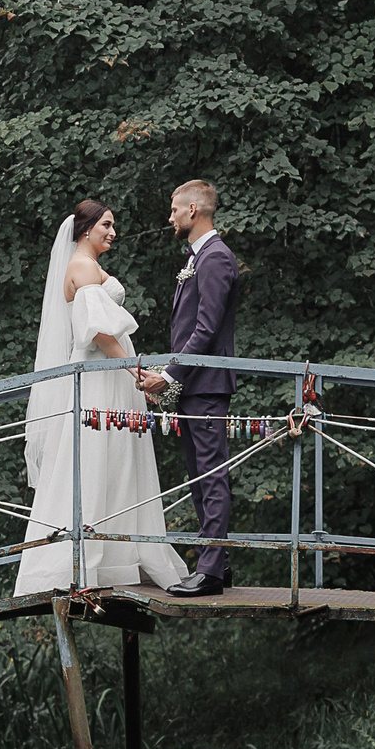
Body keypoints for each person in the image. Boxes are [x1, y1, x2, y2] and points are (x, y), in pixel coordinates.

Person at [13, 200, 190, 596]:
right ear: (85, 228)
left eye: (113, 225)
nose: (113, 232)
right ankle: (82, 562)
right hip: (100, 378)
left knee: (116, 458)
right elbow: (98, 332)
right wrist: (136, 373)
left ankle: (116, 557)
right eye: (106, 225)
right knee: (94, 457)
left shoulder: (84, 265)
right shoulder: (82, 266)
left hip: (108, 376)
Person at [139, 179, 241, 597]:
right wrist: (170, 375)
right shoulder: (196, 258)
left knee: (211, 475)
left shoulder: (215, 258)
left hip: (207, 385)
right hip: (193, 384)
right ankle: (218, 563)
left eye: (174, 209)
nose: (170, 217)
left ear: (194, 210)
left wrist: (169, 375)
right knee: (200, 477)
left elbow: (206, 329)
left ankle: (211, 569)